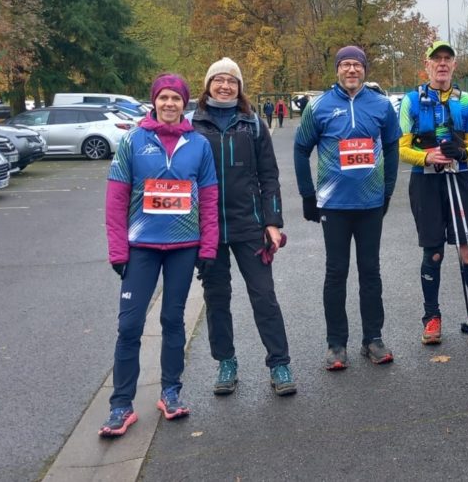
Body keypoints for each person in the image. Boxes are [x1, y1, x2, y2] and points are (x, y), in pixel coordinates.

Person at [100, 74, 219, 438]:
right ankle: (121, 405)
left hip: (184, 248)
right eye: (164, 98)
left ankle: (170, 392)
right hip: (141, 250)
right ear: (154, 102)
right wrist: (118, 249)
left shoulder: (198, 144)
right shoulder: (134, 141)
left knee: (173, 321)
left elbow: (210, 199)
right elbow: (116, 200)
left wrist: (208, 247)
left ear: (186, 104)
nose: (170, 104)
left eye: (176, 99)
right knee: (130, 326)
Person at [192, 58, 295, 397]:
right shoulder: (192, 125)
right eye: (218, 80)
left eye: (231, 81)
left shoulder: (252, 124)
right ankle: (226, 362)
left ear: (239, 88)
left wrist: (273, 222)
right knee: (217, 298)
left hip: (250, 227)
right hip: (208, 230)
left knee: (264, 296)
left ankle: (279, 363)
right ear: (208, 86)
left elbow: (269, 177)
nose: (225, 86)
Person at [294, 46, 402, 370]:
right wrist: (307, 196)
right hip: (334, 206)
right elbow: (300, 150)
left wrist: (388, 191)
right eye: (346, 65)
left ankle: (373, 338)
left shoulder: (381, 105)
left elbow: (394, 147)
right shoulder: (319, 106)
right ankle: (336, 344)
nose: (351, 70)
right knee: (336, 272)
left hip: (370, 204)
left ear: (365, 69)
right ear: (337, 70)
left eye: (357, 65)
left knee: (370, 271)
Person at [399, 40, 468, 344]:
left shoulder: (466, 101)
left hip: (458, 180)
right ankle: (432, 317)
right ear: (427, 65)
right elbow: (402, 148)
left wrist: (462, 154)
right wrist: (427, 157)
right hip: (426, 182)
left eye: (447, 59)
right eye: (436, 59)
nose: (442, 64)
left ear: (454, 65)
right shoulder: (410, 101)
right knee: (433, 252)